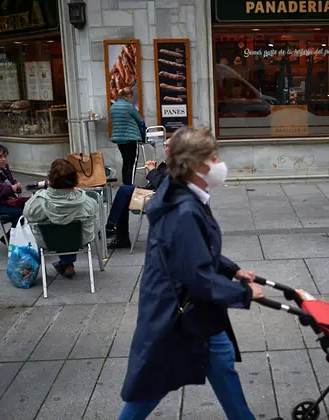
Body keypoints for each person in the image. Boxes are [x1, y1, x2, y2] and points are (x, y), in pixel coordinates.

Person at [119, 127, 279, 420]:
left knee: (221, 361)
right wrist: (243, 293)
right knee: (152, 386)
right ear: (195, 165)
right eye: (214, 157)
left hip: (189, 306)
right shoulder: (184, 211)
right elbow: (197, 275)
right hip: (177, 309)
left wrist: (232, 269)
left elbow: (194, 250)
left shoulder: (185, 194)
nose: (220, 164)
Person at [24, 159, 100, 279]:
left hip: (48, 242)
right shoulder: (86, 201)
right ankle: (67, 263)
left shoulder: (38, 202)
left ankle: (66, 264)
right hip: (80, 240)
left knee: (57, 228)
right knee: (70, 229)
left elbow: (28, 214)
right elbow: (94, 210)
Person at [106, 139, 170, 249]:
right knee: (124, 193)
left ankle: (113, 228)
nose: (166, 148)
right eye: (165, 145)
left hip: (157, 197)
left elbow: (161, 186)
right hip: (152, 192)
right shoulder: (171, 161)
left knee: (124, 191)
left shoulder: (178, 164)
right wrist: (155, 170)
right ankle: (116, 232)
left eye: (169, 146)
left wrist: (152, 170)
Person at [111, 87, 146, 185]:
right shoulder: (129, 106)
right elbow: (140, 120)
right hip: (131, 138)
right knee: (132, 163)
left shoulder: (113, 107)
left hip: (119, 139)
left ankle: (125, 184)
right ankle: (130, 185)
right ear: (129, 96)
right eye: (132, 97)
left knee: (125, 161)